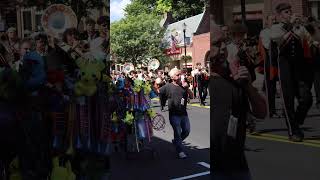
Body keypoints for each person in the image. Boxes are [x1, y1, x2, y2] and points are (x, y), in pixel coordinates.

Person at [211, 24, 267, 180]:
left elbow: (262, 112)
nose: (223, 47)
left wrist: (248, 85)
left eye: (224, 42)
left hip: (236, 164)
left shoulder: (235, 72)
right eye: (217, 43)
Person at [270, 2, 313, 142]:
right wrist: (291, 27)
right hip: (285, 69)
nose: (289, 14)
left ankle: (298, 121)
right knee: (288, 101)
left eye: (289, 11)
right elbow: (279, 40)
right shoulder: (275, 28)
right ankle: (292, 131)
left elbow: (311, 39)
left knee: (307, 98)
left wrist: (307, 25)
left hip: (300, 68)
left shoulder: (298, 27)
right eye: (286, 12)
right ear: (280, 15)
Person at [159, 68, 193, 159]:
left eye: (180, 75)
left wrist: (187, 88)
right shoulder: (168, 86)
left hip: (184, 113)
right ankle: (180, 150)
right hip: (174, 114)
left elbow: (192, 96)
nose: (180, 76)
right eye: (178, 75)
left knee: (186, 131)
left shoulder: (184, 85)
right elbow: (159, 91)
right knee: (177, 132)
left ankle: (177, 142)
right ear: (172, 77)